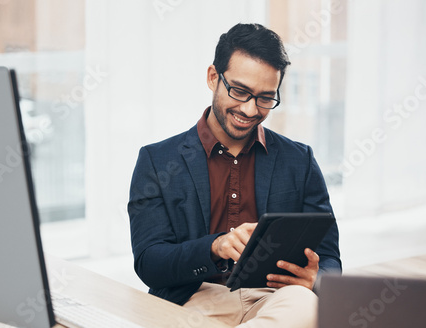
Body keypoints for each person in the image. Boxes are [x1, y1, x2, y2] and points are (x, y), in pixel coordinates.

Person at [128, 23, 341, 328]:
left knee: (306, 303)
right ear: (213, 77)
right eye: (239, 91)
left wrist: (316, 278)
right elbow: (150, 263)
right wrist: (215, 248)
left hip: (276, 298)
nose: (250, 109)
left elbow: (329, 256)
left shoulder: (299, 160)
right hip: (195, 300)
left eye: (266, 98)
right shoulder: (158, 161)